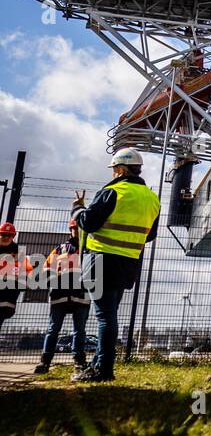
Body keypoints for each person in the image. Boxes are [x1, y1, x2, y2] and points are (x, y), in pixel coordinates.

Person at [71, 148, 160, 383]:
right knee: (110, 314)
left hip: (101, 259)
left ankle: (104, 370)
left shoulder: (112, 191)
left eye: (113, 169)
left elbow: (89, 223)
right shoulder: (152, 198)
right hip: (128, 263)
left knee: (104, 317)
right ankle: (98, 364)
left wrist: (78, 209)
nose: (112, 173)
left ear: (120, 169)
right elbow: (150, 235)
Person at [34, 216, 89, 374]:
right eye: (74, 228)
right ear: (70, 230)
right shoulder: (59, 249)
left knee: (79, 331)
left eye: (80, 228)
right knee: (53, 329)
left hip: (81, 295)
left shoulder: (89, 249)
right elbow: (46, 269)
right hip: (59, 295)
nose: (77, 231)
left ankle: (79, 362)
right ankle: (45, 362)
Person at [0, 222, 34, 336]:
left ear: (13, 236)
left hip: (9, 294)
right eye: (3, 234)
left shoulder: (18, 251)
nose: (5, 237)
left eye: (8, 235)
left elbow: (27, 269)